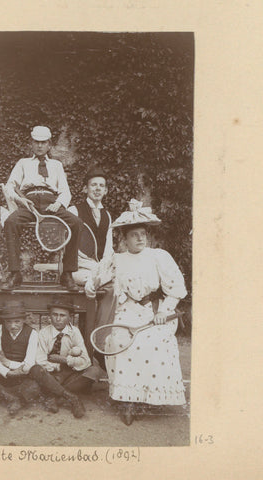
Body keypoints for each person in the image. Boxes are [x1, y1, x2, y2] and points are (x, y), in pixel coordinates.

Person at [86, 199, 187, 425]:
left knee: (155, 340)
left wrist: (164, 310)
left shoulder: (158, 256)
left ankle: (148, 396)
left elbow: (177, 288)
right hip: (126, 312)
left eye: (143, 234)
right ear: (124, 238)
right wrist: (91, 287)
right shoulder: (117, 260)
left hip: (153, 311)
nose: (140, 238)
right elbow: (95, 281)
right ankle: (127, 400)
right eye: (134, 235)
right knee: (120, 340)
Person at [2, 126, 83, 291]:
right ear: (31, 143)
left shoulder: (56, 165)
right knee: (11, 222)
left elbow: (65, 191)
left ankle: (67, 274)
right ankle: (15, 273)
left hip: (51, 201)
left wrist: (58, 204)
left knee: (76, 223)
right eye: (36, 142)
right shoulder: (22, 163)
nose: (39, 146)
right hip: (29, 202)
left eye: (43, 142)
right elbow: (10, 186)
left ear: (49, 145)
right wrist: (21, 200)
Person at [29, 295, 102, 418]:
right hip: (51, 373)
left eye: (62, 316)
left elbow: (85, 361)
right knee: (36, 370)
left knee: (94, 371)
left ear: (70, 317)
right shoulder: (43, 333)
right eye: (54, 315)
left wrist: (64, 360)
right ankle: (71, 398)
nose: (58, 319)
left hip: (70, 372)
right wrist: (56, 367)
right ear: (50, 315)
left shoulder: (75, 332)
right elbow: (40, 360)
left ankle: (52, 395)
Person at [68, 167, 117, 334]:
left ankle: (99, 337)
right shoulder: (74, 211)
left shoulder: (107, 215)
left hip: (100, 270)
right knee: (92, 283)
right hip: (79, 269)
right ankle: (89, 337)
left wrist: (102, 269)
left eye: (101, 186)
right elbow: (69, 247)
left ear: (106, 191)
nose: (97, 189)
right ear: (85, 189)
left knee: (113, 288)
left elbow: (109, 249)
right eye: (93, 185)